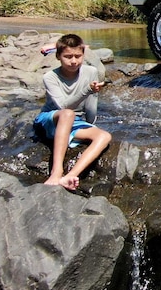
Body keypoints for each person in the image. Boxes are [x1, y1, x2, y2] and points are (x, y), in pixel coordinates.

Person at [34, 34, 112, 190]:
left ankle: (71, 176)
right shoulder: (50, 77)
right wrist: (87, 90)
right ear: (58, 56)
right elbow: (63, 106)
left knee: (104, 136)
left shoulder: (90, 71)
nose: (74, 61)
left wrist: (90, 125)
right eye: (68, 57)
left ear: (83, 55)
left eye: (78, 56)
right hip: (51, 118)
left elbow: (91, 103)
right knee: (67, 114)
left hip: (74, 122)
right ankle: (56, 172)